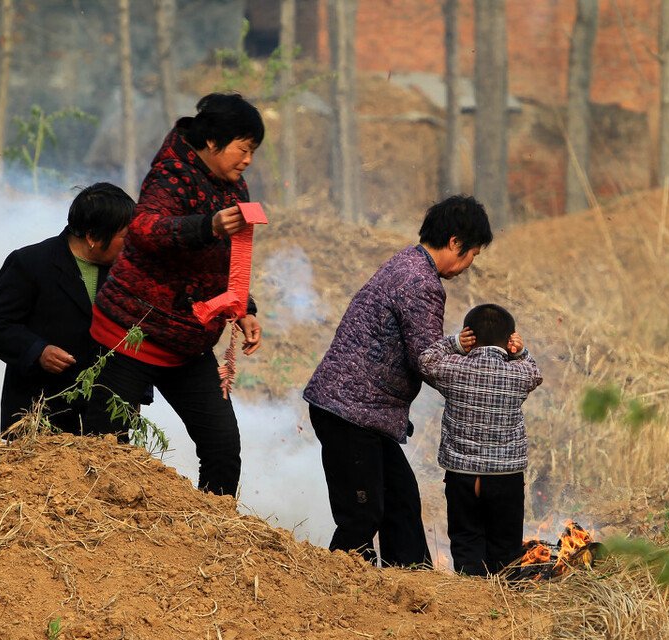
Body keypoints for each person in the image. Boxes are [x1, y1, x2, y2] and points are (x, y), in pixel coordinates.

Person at [82, 93, 264, 497]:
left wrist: (242, 308)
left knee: (221, 447)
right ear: (213, 143)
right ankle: (100, 532)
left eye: (252, 151)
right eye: (243, 149)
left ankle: (213, 533)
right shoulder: (171, 173)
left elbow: (231, 258)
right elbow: (145, 228)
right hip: (132, 332)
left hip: (189, 339)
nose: (248, 159)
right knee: (106, 446)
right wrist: (207, 226)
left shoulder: (236, 186)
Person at [304, 195, 492, 567]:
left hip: (360, 412)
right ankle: (335, 597)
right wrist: (483, 383)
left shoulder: (406, 262)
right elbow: (427, 360)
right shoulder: (423, 283)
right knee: (362, 516)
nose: (470, 264)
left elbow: (423, 347)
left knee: (401, 503)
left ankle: (412, 588)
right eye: (472, 254)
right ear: (456, 242)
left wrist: (454, 348)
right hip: (351, 413)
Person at [0, 182, 135, 436]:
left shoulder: (128, 273)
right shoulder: (31, 263)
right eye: (125, 237)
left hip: (105, 416)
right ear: (93, 237)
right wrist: (37, 350)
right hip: (41, 412)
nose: (131, 245)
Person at [418, 304, 542, 576]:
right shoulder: (518, 372)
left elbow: (425, 360)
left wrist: (454, 343)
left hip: (461, 475)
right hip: (504, 476)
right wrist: (521, 352)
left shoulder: (454, 368)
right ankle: (502, 606)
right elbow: (535, 373)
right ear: (510, 339)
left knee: (465, 540)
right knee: (505, 549)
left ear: (469, 336)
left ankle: (470, 600)